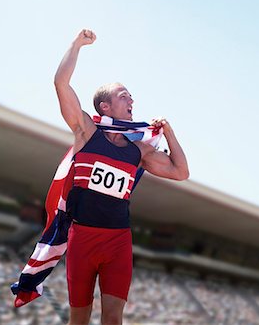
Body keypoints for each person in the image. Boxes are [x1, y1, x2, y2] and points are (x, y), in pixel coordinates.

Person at [54, 29, 190, 325]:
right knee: (78, 318)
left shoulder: (138, 150)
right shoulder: (86, 132)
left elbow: (181, 172)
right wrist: (76, 44)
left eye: (131, 96)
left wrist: (169, 132)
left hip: (118, 239)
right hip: (83, 237)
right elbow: (61, 83)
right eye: (123, 95)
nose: (132, 99)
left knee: (113, 318)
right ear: (105, 107)